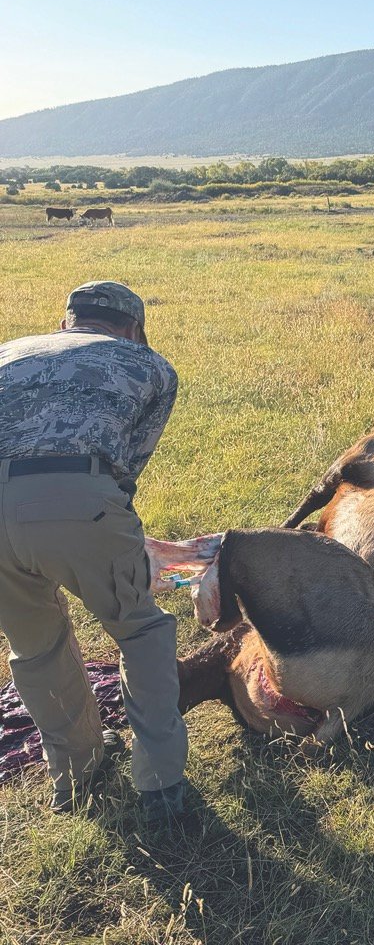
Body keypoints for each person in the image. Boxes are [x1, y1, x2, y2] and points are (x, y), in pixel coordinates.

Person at [0, 281, 190, 820]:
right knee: (141, 631)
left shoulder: (7, 352)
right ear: (132, 328)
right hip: (79, 500)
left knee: (35, 647)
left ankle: (75, 777)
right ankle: (160, 785)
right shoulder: (147, 364)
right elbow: (128, 465)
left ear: (66, 322)